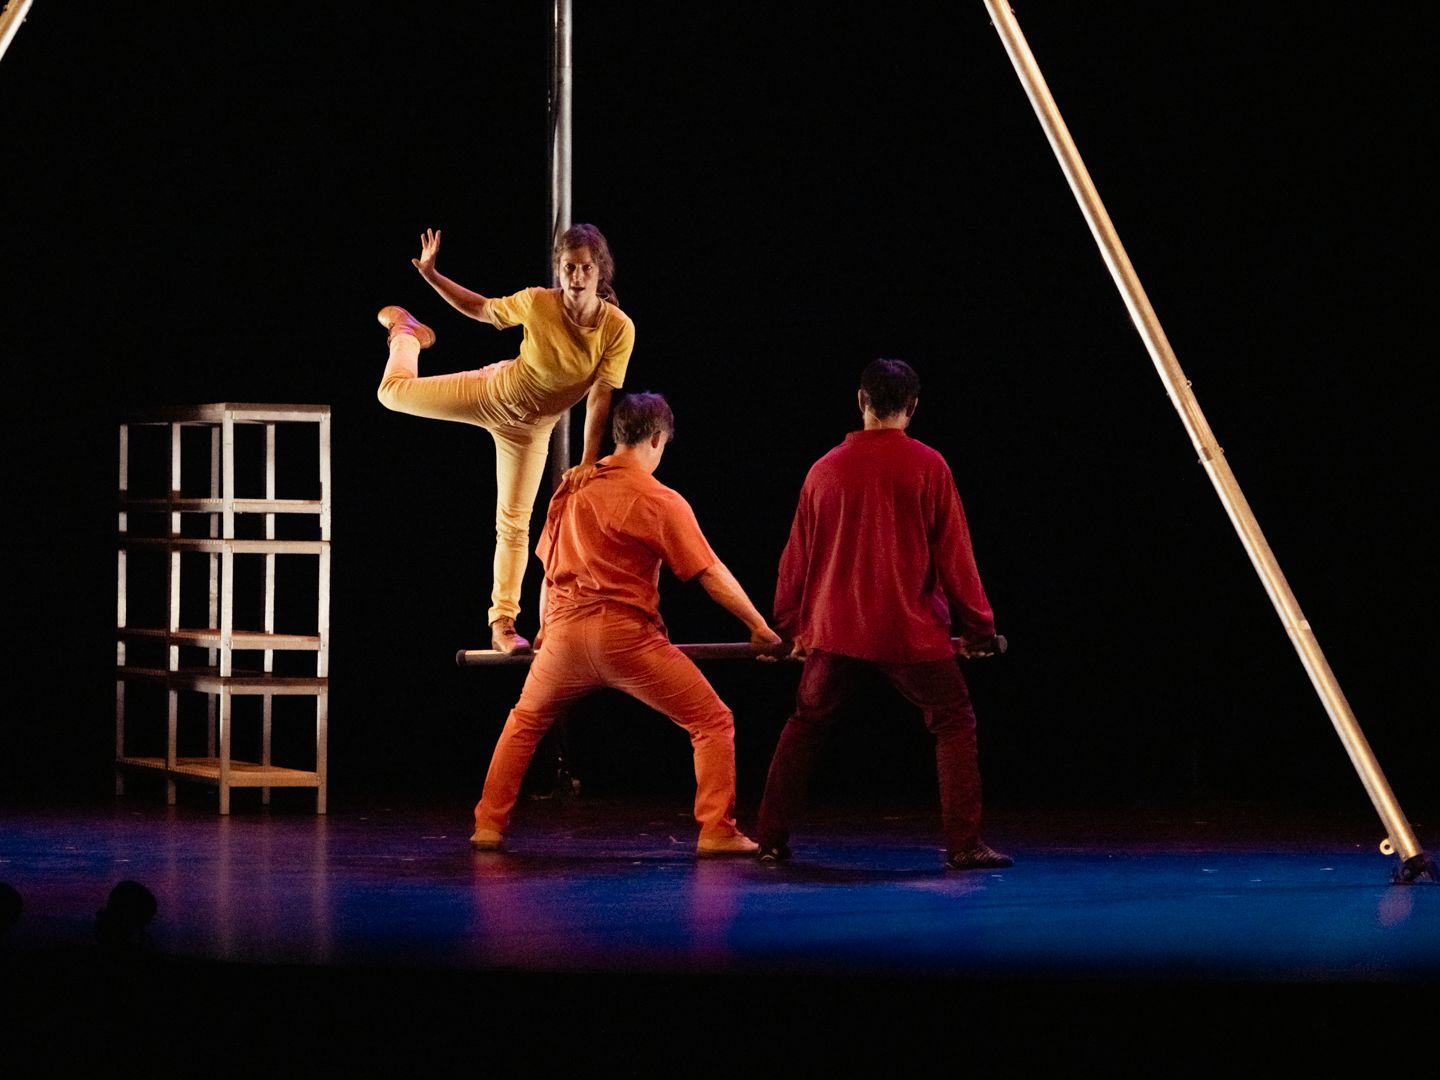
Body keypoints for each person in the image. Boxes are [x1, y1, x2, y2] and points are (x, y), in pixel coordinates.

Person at [470, 392, 783, 856]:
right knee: (712, 720)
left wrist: (544, 630)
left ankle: (488, 826)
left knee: (524, 723)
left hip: (563, 638)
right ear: (656, 439)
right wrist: (759, 628)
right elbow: (709, 572)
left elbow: (548, 571)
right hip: (625, 640)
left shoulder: (570, 488)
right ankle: (716, 829)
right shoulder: (658, 498)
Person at [754, 358, 1012, 870]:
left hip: (836, 631)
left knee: (806, 724)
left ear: (861, 401)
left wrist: (787, 628)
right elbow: (956, 556)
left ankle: (769, 840)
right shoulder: (928, 466)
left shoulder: (824, 470)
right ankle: (963, 845)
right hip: (907, 632)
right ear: (912, 407)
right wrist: (979, 627)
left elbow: (794, 560)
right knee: (954, 721)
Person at [376, 223, 634, 654]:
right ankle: (407, 333)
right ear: (559, 269)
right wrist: (433, 276)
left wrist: (589, 459)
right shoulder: (538, 302)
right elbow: (481, 309)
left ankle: (503, 624)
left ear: (600, 271)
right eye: (568, 267)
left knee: (513, 524)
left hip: (530, 432)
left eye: (585, 268)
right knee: (391, 394)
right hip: (493, 392)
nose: (576, 277)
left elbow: (600, 397)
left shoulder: (617, 329)